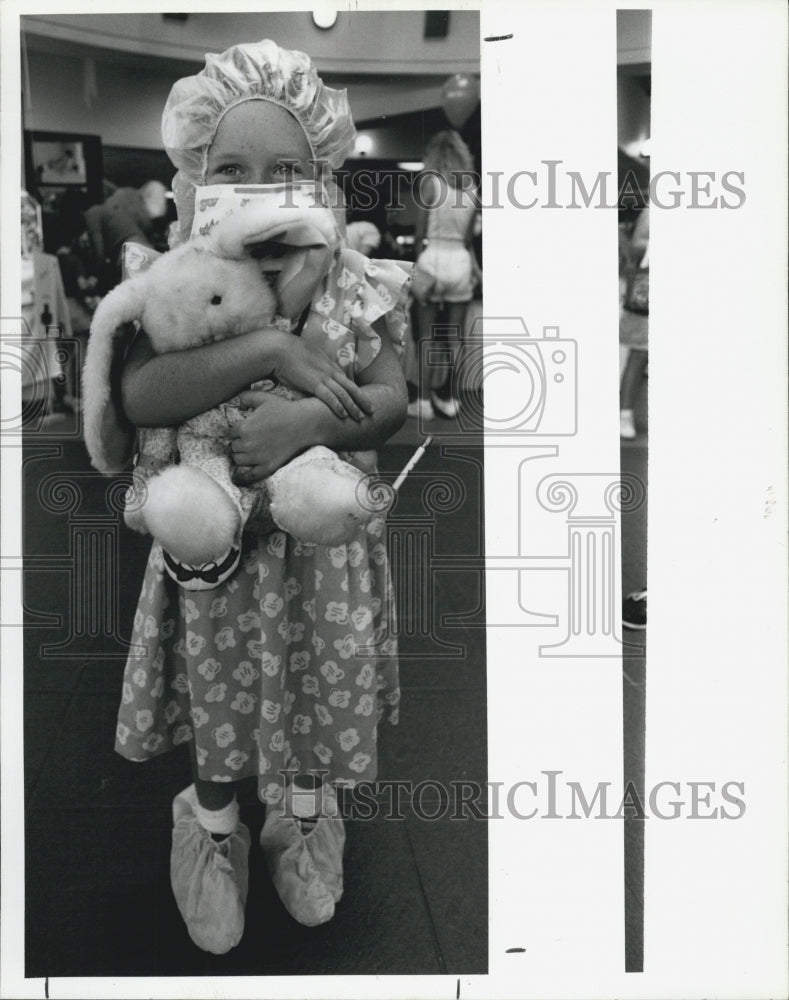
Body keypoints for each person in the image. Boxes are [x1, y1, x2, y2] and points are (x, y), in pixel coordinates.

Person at [104, 39, 410, 954]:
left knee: (317, 687)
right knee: (218, 697)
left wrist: (307, 426)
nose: (256, 184)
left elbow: (389, 397)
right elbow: (139, 395)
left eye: (284, 168)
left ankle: (306, 821)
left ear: (320, 177)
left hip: (320, 555)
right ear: (195, 180)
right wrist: (274, 350)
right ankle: (211, 825)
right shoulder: (172, 275)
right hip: (215, 554)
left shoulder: (352, 280)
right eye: (230, 168)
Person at [408, 130, 480, 421]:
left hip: (433, 258)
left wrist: (417, 264)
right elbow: (467, 238)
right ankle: (449, 398)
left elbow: (419, 233)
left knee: (426, 335)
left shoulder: (432, 184)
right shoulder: (472, 188)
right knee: (454, 337)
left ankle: (423, 401)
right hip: (460, 262)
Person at [85, 180, 169, 289]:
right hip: (145, 248)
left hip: (129, 252)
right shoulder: (117, 209)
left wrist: (94, 276)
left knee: (131, 298)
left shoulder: (92, 213)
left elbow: (98, 250)